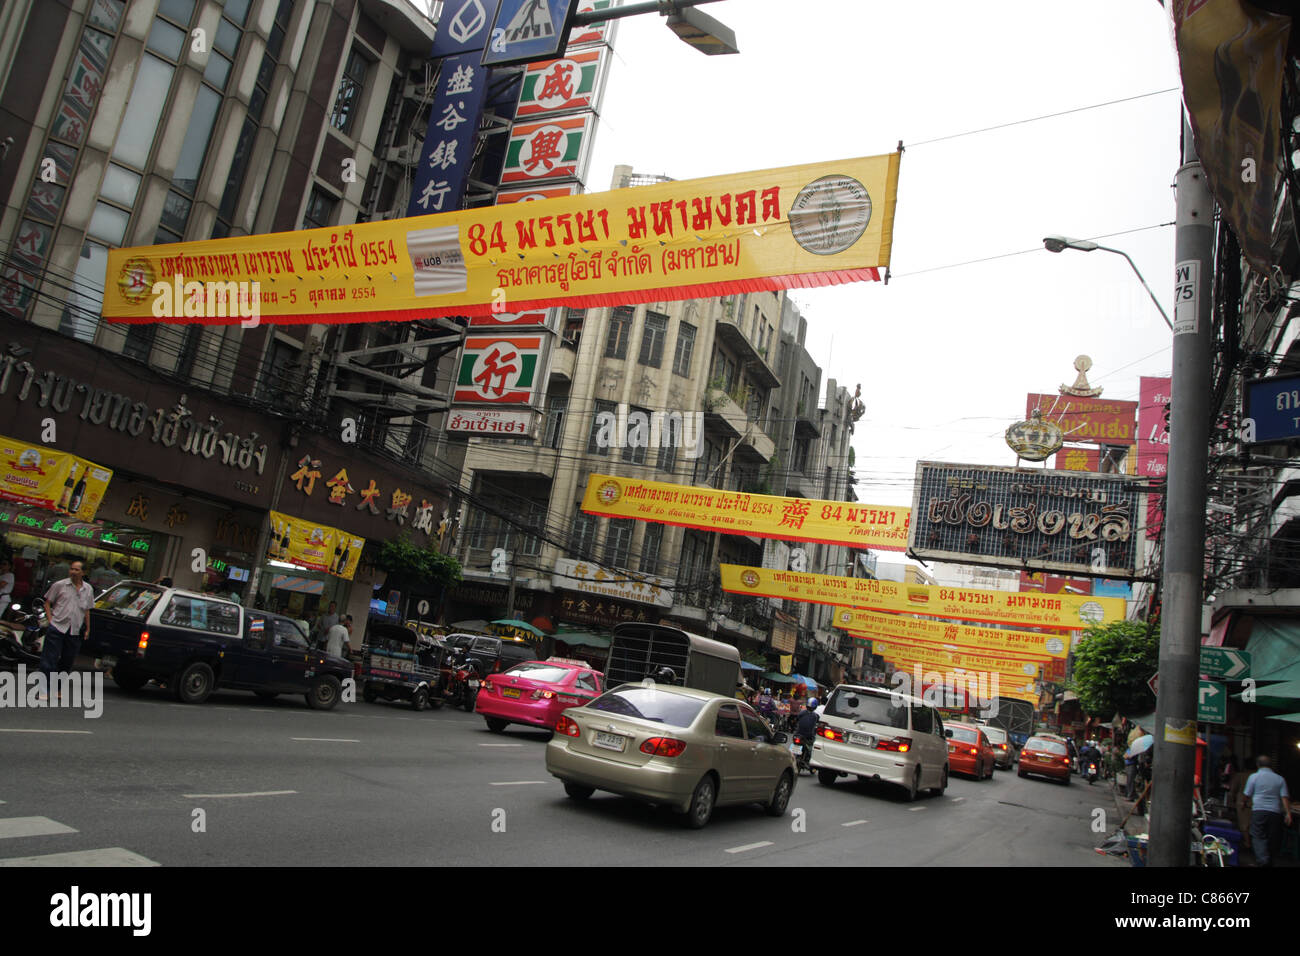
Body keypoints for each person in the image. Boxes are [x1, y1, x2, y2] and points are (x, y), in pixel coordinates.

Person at [39, 559, 95, 699]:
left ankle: (57, 689)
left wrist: (87, 627)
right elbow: (47, 603)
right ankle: (44, 690)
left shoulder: (88, 589)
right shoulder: (60, 585)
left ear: (83, 572)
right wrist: (51, 620)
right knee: (49, 659)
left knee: (67, 660)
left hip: (74, 629)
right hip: (57, 626)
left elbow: (87, 609)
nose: (73, 572)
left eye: (77, 570)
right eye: (72, 569)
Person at [1243, 755, 1292, 867]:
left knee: (1258, 835)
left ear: (1257, 765)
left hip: (1259, 810)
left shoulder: (1254, 777)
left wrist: (1244, 803)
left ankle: (1263, 860)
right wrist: (1288, 813)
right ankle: (1269, 859)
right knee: (1272, 836)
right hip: (1275, 812)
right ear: (1271, 765)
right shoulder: (1280, 779)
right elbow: (1284, 797)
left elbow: (1247, 794)